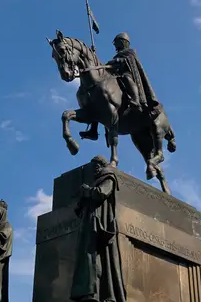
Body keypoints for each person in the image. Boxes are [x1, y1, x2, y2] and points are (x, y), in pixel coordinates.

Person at [70, 155, 127, 302]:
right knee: (87, 257)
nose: (94, 170)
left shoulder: (109, 178)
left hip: (99, 223)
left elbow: (101, 193)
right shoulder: (96, 180)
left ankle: (96, 292)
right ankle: (87, 291)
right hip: (88, 222)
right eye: (93, 168)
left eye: (96, 167)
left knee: (94, 257)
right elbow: (81, 207)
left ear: (102, 166)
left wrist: (88, 191)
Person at [107, 32, 160, 119]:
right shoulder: (116, 56)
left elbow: (129, 60)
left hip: (130, 74)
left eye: (116, 43)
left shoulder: (130, 52)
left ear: (122, 42)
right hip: (117, 76)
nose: (115, 45)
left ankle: (135, 100)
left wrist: (119, 60)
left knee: (126, 78)